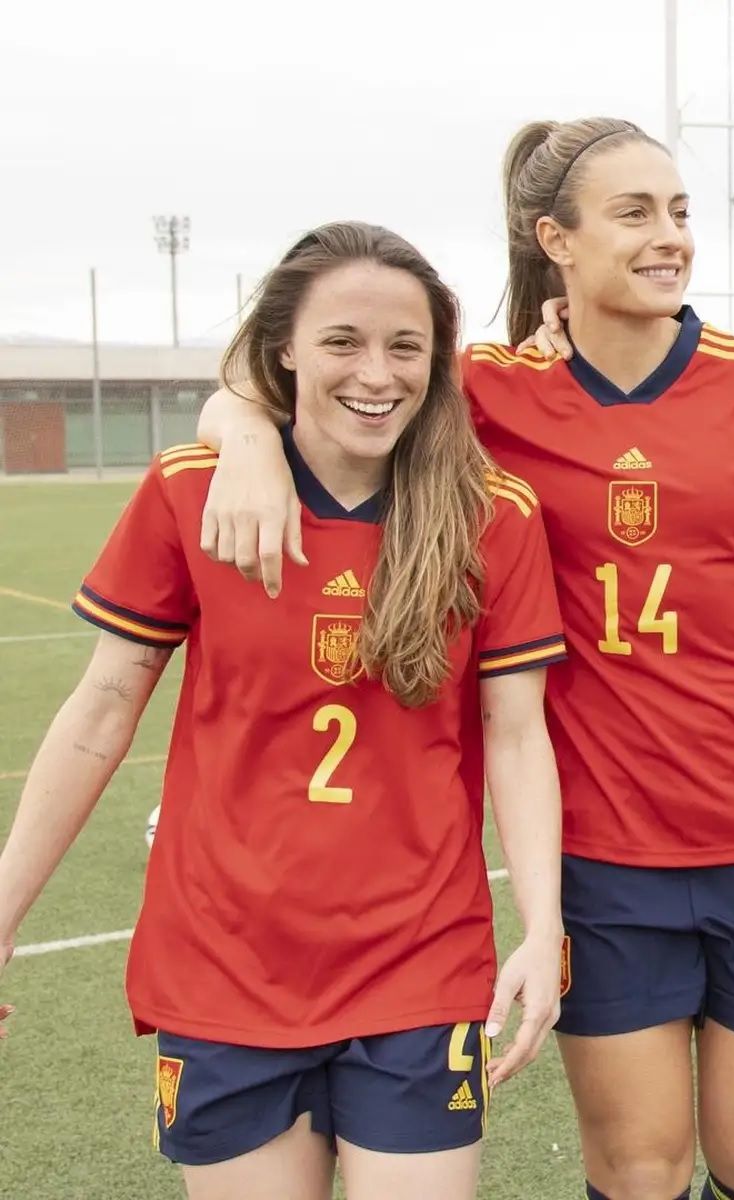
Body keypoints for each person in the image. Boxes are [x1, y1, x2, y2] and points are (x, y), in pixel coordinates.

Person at [193, 118, 734, 1200]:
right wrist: (243, 435)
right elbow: (292, 375)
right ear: (553, 241)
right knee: (642, 1166)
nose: (670, 237)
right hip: (603, 850)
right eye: (635, 213)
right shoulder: (489, 389)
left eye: (679, 212)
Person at [0, 221, 567, 1200]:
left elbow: (518, 737)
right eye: (343, 341)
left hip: (418, 965)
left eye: (406, 347)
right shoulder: (192, 494)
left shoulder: (491, 514)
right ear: (283, 350)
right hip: (224, 968)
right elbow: (100, 713)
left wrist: (543, 925)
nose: (377, 374)